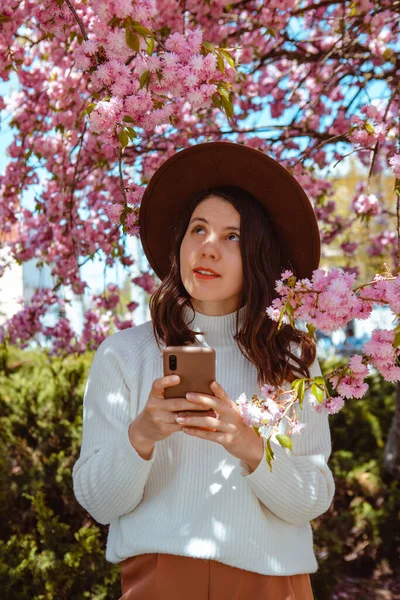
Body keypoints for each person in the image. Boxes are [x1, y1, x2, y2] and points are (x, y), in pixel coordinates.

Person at [72, 141, 336, 600]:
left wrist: (247, 443)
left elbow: (312, 499)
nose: (208, 247)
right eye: (198, 229)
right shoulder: (124, 353)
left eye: (232, 236)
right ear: (179, 243)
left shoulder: (291, 357)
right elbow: (99, 503)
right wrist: (143, 434)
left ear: (259, 254)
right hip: (162, 578)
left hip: (274, 578)